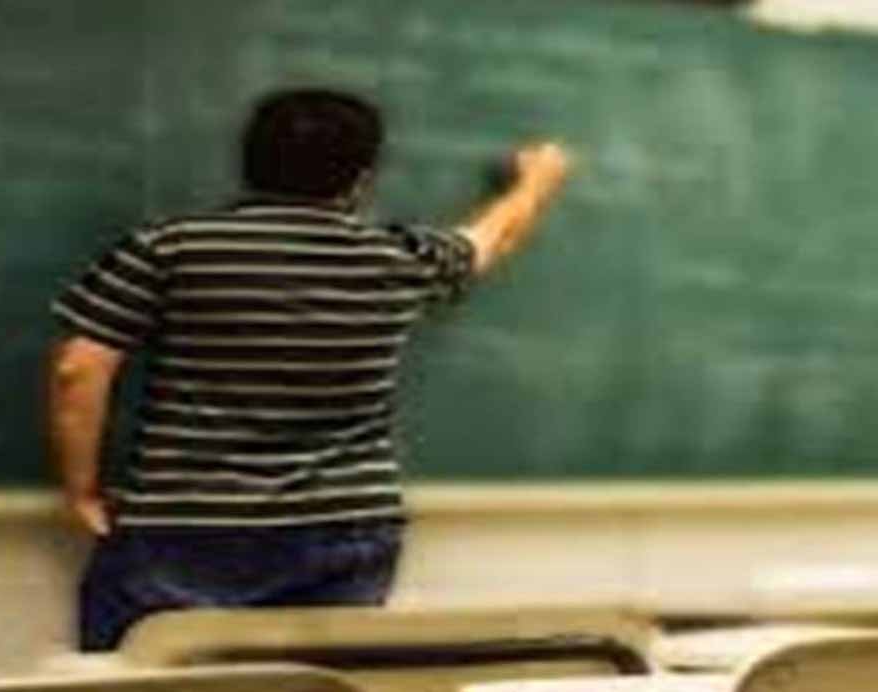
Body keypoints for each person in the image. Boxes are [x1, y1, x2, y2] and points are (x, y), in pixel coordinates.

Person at [46, 88, 570, 651]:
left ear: (249, 160)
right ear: (361, 178)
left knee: (146, 679)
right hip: (345, 522)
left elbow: (79, 368)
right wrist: (535, 182)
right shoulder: (399, 258)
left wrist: (81, 490)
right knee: (310, 680)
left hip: (186, 522)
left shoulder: (166, 249)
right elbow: (492, 238)